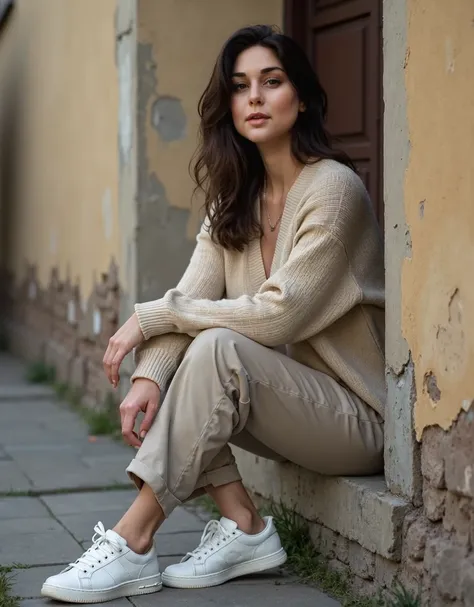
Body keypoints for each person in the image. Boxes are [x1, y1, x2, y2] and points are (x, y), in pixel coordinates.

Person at [41, 24, 385, 603]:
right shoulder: (235, 200)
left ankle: (135, 539)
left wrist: (147, 317)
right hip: (284, 404)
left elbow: (279, 317)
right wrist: (149, 375)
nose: (254, 97)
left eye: (271, 82)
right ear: (228, 104)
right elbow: (191, 295)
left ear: (299, 97)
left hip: (355, 419)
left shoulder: (335, 190)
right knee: (195, 352)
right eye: (240, 85)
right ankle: (244, 526)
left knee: (216, 348)